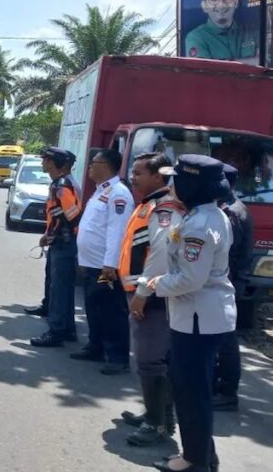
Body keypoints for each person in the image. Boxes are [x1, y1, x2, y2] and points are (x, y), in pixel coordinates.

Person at [133, 154, 234, 472]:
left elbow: (190, 279)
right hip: (197, 317)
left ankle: (194, 461)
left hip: (197, 320)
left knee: (191, 393)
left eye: (177, 179)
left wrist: (151, 284)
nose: (171, 184)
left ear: (191, 184)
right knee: (191, 389)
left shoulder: (200, 226)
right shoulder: (202, 216)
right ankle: (203, 455)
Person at [120, 153, 185, 446]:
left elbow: (160, 258)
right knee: (152, 360)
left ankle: (157, 423)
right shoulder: (150, 205)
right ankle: (156, 414)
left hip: (153, 297)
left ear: (158, 176)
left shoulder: (164, 211)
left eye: (138, 173)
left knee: (150, 361)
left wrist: (142, 294)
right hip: (143, 293)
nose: (133, 178)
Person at [72, 149, 134, 375]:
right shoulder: (101, 191)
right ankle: (95, 346)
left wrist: (110, 265)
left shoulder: (118, 193)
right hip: (91, 262)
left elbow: (116, 232)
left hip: (105, 266)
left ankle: (118, 357)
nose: (89, 166)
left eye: (93, 163)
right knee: (94, 308)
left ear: (105, 166)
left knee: (111, 311)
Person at [30, 147, 82, 347]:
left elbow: (72, 217)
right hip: (61, 241)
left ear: (53, 163)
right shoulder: (61, 183)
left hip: (64, 243)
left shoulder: (62, 186)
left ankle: (56, 331)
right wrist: (48, 233)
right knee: (62, 288)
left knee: (59, 290)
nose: (42, 163)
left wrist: (54, 235)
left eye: (45, 159)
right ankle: (67, 329)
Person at [213, 163, 253, 412]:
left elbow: (226, 253)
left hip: (228, 283)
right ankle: (220, 386)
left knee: (225, 340)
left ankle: (227, 392)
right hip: (230, 282)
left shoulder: (231, 213)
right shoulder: (230, 208)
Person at [184, 0, 257, 64]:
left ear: (236, 2)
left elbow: (266, 63)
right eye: (214, 0)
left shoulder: (252, 32)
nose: (221, 5)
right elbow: (204, 71)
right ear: (204, 6)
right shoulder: (196, 37)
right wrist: (251, 62)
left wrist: (222, 64)